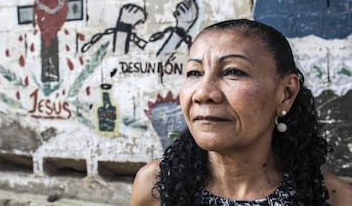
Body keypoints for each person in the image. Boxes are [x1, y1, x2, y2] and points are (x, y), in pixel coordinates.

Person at [130, 19, 352, 206]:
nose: (203, 93)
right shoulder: (157, 187)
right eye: (194, 73)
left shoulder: (333, 198)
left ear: (286, 93)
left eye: (233, 71)